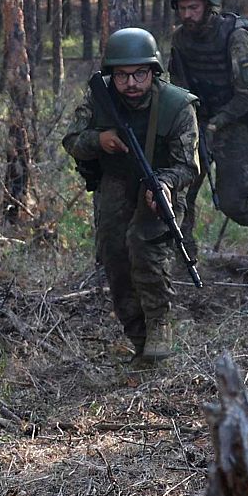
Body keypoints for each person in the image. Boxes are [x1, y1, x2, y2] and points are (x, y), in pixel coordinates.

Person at [64, 28, 201, 367]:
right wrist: (99, 140)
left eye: (140, 74)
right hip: (114, 184)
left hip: (159, 188)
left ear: (154, 72)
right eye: (122, 75)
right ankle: (137, 336)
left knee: (145, 246)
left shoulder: (177, 105)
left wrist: (165, 184)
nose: (131, 83)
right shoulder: (99, 99)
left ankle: (159, 324)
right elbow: (72, 141)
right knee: (115, 256)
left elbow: (189, 166)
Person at [165, 0, 248, 250]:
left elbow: (247, 94)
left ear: (208, 6)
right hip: (199, 121)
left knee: (232, 202)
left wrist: (216, 123)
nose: (188, 14)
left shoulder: (235, 36)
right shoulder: (181, 39)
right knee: (180, 191)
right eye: (182, 9)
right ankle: (185, 251)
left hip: (238, 120)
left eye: (193, 8)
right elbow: (179, 87)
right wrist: (189, 123)